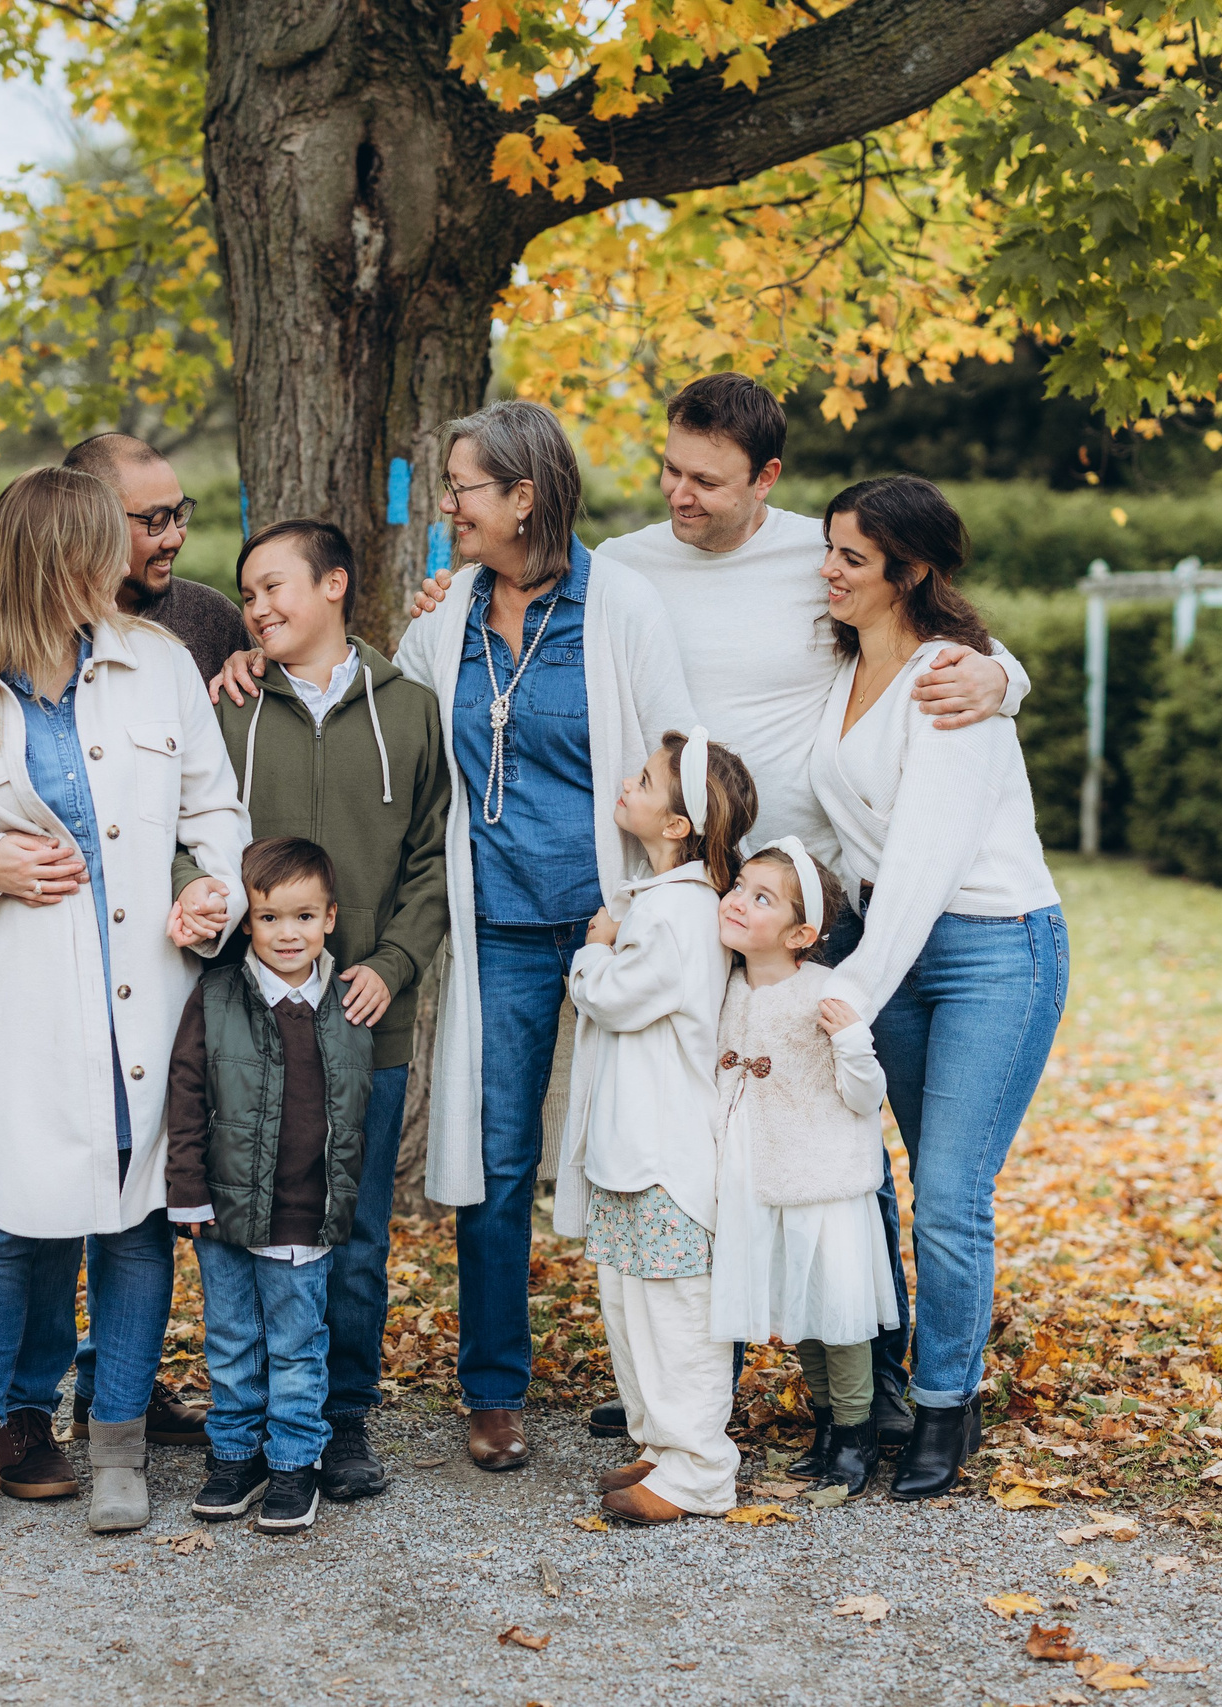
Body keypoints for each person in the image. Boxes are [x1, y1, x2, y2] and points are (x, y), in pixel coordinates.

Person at [392, 374, 1028, 1445]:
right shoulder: (622, 568)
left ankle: (858, 1390)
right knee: (627, 1147)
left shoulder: (817, 566)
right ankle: (661, 1380)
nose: (679, 495)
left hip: (780, 903)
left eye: (706, 479)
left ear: (764, 479)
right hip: (665, 902)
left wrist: (1005, 680)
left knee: (806, 1148)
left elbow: (939, 637)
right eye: (669, 471)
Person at [0, 465, 245, 1538]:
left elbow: (216, 809)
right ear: (55, 558)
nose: (125, 563)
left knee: (133, 1223)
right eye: (101, 546)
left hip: (145, 997)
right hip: (19, 999)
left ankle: (116, 1443)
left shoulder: (154, 665)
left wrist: (219, 890)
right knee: (2, 1228)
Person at [376, 400, 696, 1473]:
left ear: (523, 496)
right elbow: (400, 737)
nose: (448, 504)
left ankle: (668, 1387)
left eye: (465, 486)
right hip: (499, 926)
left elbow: (680, 760)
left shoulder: (625, 608)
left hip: (614, 922)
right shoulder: (445, 616)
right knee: (499, 1155)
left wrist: (654, 908)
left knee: (642, 1152)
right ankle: (493, 1388)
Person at [165, 519, 450, 1504]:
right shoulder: (229, 708)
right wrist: (204, 917)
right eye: (247, 595)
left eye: (276, 588)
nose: (258, 609)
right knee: (247, 1221)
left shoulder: (411, 711)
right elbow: (185, 834)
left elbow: (429, 857)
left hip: (364, 1013)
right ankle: (247, 1424)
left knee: (355, 1230)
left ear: (334, 585)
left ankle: (343, 1420)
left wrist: (395, 961)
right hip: (246, 1014)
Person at [802, 474, 1069, 1501]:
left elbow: (920, 864)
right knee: (868, 1179)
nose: (826, 571)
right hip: (889, 947)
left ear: (910, 572)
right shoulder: (842, 666)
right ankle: (878, 1396)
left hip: (993, 952)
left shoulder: (952, 680)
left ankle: (947, 1409)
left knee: (948, 1195)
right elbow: (850, 840)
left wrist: (852, 989)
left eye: (851, 558)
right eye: (828, 549)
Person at [57, 430, 240, 1446]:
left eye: (180, 515)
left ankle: (125, 1388)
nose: (172, 536)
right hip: (66, 952)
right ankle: (36, 1402)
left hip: (187, 942)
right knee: (57, 1182)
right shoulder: (32, 629)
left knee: (156, 1183)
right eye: (151, 519)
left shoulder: (205, 621)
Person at [555, 729, 754, 1523]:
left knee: (674, 1310)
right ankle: (660, 1443)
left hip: (668, 1151)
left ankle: (701, 1465)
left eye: (643, 780)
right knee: (631, 1302)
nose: (626, 784)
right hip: (633, 1145)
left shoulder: (678, 912)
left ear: (679, 825)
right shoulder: (661, 898)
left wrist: (591, 955)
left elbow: (613, 996)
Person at [165, 837, 376, 1535]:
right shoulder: (219, 995)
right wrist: (188, 1190)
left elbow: (349, 1120)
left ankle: (294, 1461)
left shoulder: (348, 1004)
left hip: (302, 1213)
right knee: (230, 1338)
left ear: (330, 917)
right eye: (269, 918)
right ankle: (235, 1455)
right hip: (222, 1207)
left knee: (295, 1342)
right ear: (246, 923)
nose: (288, 934)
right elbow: (188, 1094)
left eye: (304, 917)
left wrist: (335, 1201)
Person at [707, 839, 899, 1496]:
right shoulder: (726, 984)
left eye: (761, 898)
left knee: (836, 1314)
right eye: (738, 885)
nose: (737, 900)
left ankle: (856, 1430)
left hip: (820, 1180)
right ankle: (826, 1424)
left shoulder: (823, 990)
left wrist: (849, 1037)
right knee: (803, 1313)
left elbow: (865, 1094)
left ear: (801, 934)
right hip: (758, 1175)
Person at [64, 432, 255, 684]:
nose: (175, 538)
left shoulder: (211, 617)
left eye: (179, 513)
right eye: (156, 520)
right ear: (94, 520)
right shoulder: (45, 626)